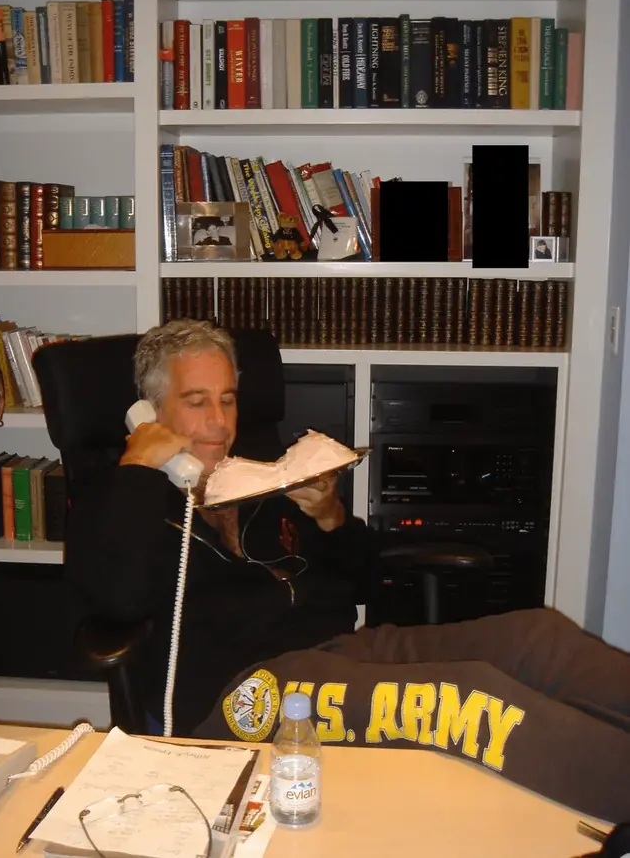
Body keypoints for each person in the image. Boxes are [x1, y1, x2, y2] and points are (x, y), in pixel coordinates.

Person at [66, 319, 630, 824]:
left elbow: (368, 582)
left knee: (538, 637)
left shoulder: (265, 479)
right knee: (465, 698)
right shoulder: (120, 496)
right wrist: (141, 467)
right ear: (151, 412)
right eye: (196, 402)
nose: (219, 422)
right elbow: (114, 600)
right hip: (247, 696)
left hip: (336, 655)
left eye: (229, 400)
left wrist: (332, 518)